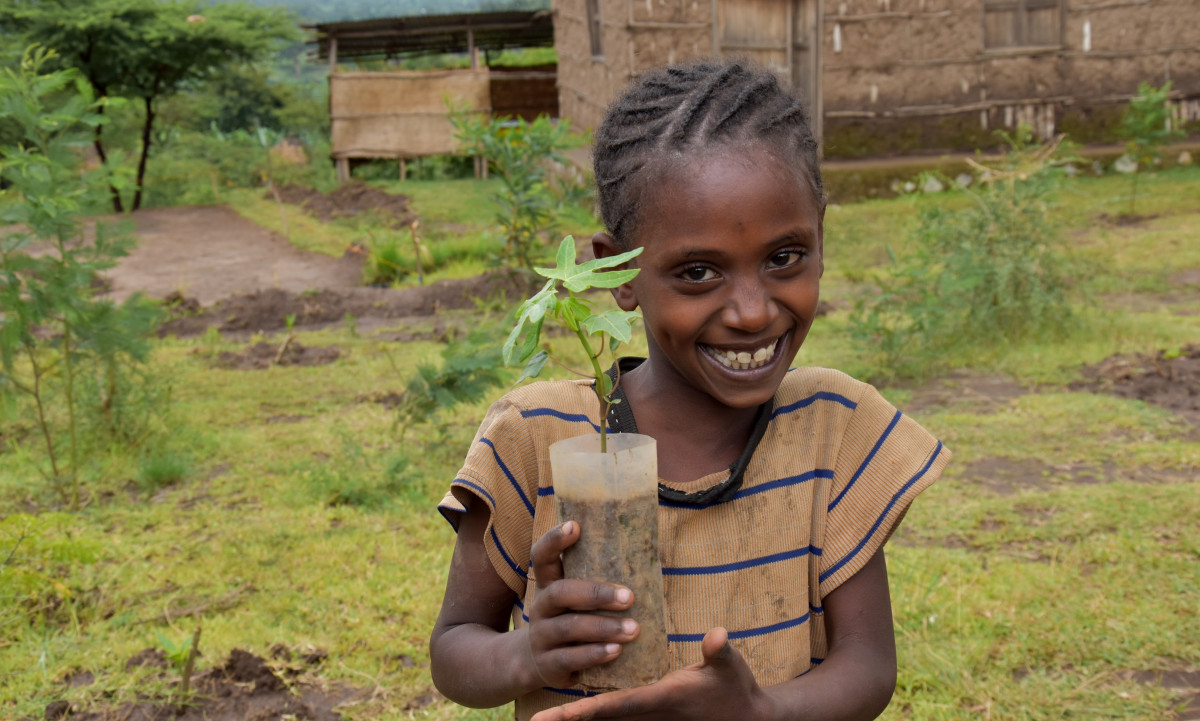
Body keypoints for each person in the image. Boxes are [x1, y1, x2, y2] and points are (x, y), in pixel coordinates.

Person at [429, 58, 951, 721]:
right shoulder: (535, 436)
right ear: (616, 272)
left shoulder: (836, 426)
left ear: (822, 233)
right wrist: (529, 651)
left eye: (784, 257)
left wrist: (759, 711)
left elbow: (869, 664)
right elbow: (453, 651)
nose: (753, 310)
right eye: (698, 271)